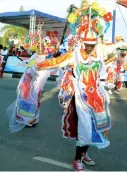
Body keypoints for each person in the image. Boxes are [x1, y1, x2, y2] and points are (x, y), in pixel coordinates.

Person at [32, 1, 127, 171]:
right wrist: (37, 65)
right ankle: (77, 160)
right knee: (85, 127)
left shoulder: (100, 49)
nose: (90, 48)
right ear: (82, 42)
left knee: (100, 125)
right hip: (81, 97)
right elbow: (56, 61)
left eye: (93, 45)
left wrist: (121, 44)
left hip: (97, 96)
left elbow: (117, 45)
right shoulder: (74, 54)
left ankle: (84, 153)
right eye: (88, 45)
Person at [7, 53, 50, 132]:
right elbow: (28, 74)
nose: (38, 58)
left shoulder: (42, 67)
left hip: (33, 89)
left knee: (32, 103)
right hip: (27, 88)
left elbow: (40, 80)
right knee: (26, 103)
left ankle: (31, 120)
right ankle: (25, 119)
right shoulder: (34, 63)